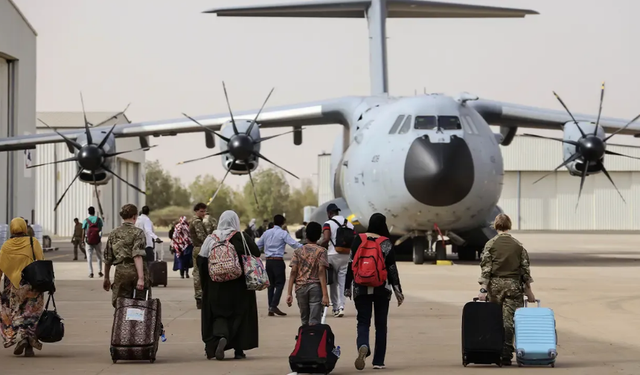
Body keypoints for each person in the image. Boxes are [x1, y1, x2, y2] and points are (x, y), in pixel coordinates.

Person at [197, 210, 260, 360]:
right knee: (240, 315)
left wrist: (206, 283)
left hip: (216, 286)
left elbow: (201, 261)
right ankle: (239, 350)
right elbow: (256, 253)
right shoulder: (241, 237)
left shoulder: (211, 238)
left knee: (219, 315)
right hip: (239, 286)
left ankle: (220, 337)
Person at [345, 213, 404, 371]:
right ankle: (378, 361)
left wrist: (347, 287)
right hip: (381, 289)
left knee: (363, 322)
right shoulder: (385, 243)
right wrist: (398, 290)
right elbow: (392, 268)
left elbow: (351, 263)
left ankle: (363, 344)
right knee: (381, 325)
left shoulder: (359, 239)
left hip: (360, 287)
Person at [477, 213, 535, 366]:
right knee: (509, 322)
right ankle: (507, 355)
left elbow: (486, 269)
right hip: (513, 287)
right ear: (509, 226)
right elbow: (524, 270)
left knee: (495, 320)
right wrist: (529, 291)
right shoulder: (518, 245)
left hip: (494, 287)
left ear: (495, 226)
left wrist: (483, 290)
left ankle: (494, 351)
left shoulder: (490, 244)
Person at [0, 218, 45, 357]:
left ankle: (21, 338)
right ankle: (29, 343)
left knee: (16, 312)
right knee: (31, 313)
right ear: (25, 228)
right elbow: (41, 261)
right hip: (32, 283)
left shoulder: (6, 246)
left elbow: (0, 267)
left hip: (13, 286)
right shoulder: (33, 242)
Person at [103, 204, 151, 308]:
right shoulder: (138, 233)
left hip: (121, 273)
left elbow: (108, 259)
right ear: (135, 216)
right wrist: (141, 278)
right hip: (136, 271)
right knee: (141, 305)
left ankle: (123, 324)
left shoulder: (113, 233)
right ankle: (137, 324)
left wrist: (106, 278)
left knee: (121, 305)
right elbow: (137, 256)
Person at [257, 214, 302, 316]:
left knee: (271, 285)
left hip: (268, 262)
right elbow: (294, 244)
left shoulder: (266, 233)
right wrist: (306, 247)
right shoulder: (283, 233)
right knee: (280, 284)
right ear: (283, 223)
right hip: (278, 261)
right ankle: (273, 305)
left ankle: (270, 307)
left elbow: (258, 245)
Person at [286, 222, 329, 326]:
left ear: (306, 234)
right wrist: (325, 295)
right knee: (314, 321)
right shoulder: (322, 251)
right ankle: (314, 340)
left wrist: (289, 293)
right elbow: (321, 271)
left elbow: (293, 272)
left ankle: (304, 340)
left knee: (304, 320)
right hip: (315, 287)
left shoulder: (298, 251)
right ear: (319, 236)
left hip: (300, 288)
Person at [321, 203, 354, 318]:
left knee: (333, 283)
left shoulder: (328, 224)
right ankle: (341, 307)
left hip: (332, 255)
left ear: (329, 213)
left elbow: (325, 239)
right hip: (346, 255)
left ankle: (335, 308)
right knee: (342, 282)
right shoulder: (349, 223)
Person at [190, 203, 208, 309]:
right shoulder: (197, 222)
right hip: (200, 248)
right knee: (199, 274)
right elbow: (202, 237)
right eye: (201, 211)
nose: (204, 213)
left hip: (198, 248)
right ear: (196, 211)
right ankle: (199, 297)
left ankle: (200, 297)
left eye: (204, 211)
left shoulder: (196, 221)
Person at [82, 206, 104, 279]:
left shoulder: (86, 220)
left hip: (88, 241)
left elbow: (83, 231)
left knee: (89, 256)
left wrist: (82, 240)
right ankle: (100, 271)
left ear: (88, 212)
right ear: (94, 211)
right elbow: (100, 229)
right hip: (97, 240)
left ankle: (91, 272)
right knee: (99, 256)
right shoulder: (98, 219)